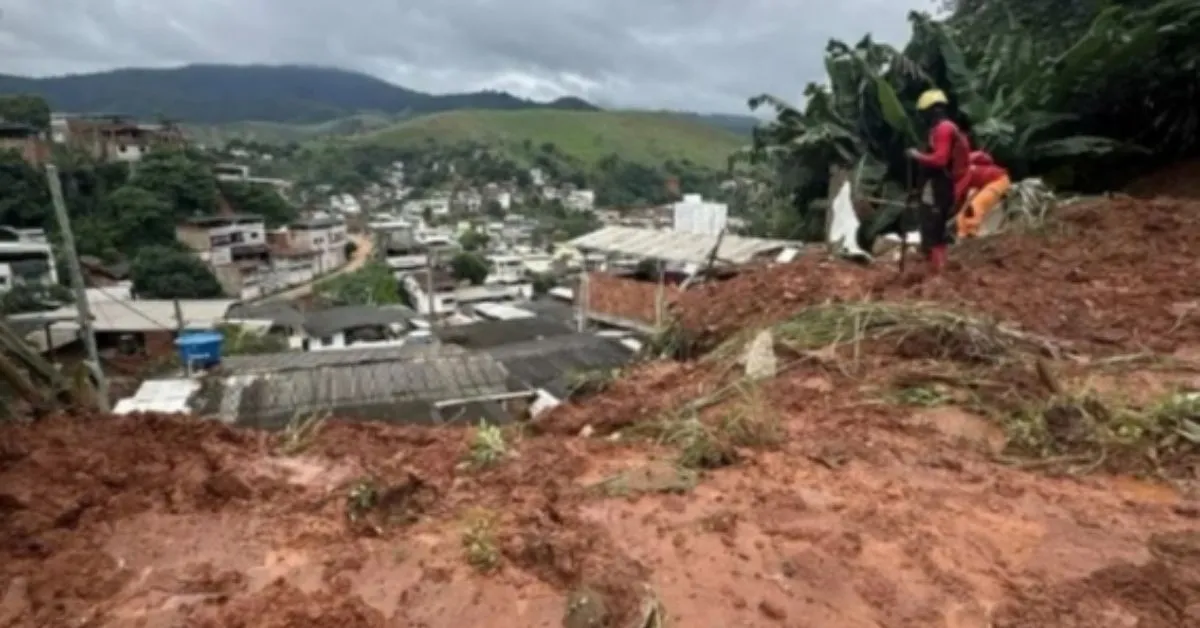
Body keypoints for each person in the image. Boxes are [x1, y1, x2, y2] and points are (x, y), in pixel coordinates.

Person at [907, 88, 971, 273]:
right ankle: (936, 266)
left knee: (933, 227)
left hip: (940, 185)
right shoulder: (947, 128)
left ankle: (937, 269)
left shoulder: (943, 130)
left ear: (931, 111)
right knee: (935, 227)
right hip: (943, 184)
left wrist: (916, 155)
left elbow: (940, 159)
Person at [956, 150, 1012, 239]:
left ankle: (973, 233)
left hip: (998, 180)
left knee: (976, 205)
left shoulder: (964, 170)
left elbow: (957, 192)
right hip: (984, 183)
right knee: (962, 213)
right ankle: (963, 235)